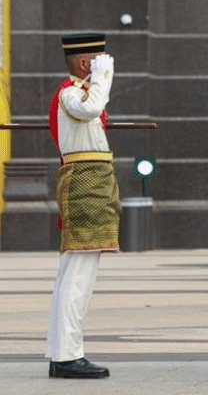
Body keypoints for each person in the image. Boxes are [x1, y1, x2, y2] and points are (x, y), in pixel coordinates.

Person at [45, 33, 117, 379]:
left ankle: (62, 352)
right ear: (85, 63)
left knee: (75, 274)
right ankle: (67, 356)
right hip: (84, 185)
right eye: (99, 60)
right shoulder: (71, 93)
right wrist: (103, 77)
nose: (105, 65)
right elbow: (91, 109)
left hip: (93, 184)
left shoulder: (80, 92)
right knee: (77, 276)